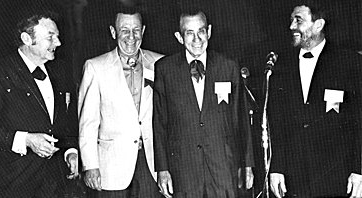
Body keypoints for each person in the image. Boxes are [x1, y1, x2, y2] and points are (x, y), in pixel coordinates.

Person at [153, 10, 254, 198]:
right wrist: (163, 169)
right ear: (179, 37)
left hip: (223, 168)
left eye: (201, 31)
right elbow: (159, 124)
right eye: (189, 33)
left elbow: (240, 120)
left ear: (209, 31)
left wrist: (247, 163)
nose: (197, 38)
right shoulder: (165, 69)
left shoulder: (228, 66)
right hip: (184, 171)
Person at [269, 1, 362, 198]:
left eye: (298, 20)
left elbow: (359, 120)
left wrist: (359, 169)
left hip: (337, 176)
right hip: (294, 178)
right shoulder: (281, 64)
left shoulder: (349, 62)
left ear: (318, 25)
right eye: (292, 20)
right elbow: (277, 122)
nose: (291, 26)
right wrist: (276, 168)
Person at [0, 10, 79, 198]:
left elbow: (66, 121)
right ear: (27, 39)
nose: (58, 43)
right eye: (50, 37)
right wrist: (27, 140)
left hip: (55, 184)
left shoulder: (60, 71)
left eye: (58, 37)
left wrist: (71, 151)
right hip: (13, 184)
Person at [78, 9, 164, 198]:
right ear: (113, 32)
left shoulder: (161, 63)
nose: (131, 37)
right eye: (124, 30)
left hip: (151, 164)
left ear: (143, 31)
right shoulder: (95, 67)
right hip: (111, 166)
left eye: (136, 30)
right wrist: (90, 165)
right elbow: (88, 123)